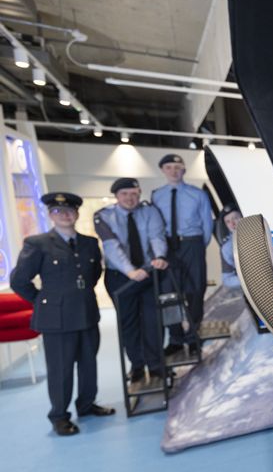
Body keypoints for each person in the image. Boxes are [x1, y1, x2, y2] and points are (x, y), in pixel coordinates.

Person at [10, 192, 113, 436]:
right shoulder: (38, 244)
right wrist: (43, 301)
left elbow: (95, 272)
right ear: (50, 215)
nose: (65, 215)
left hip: (86, 312)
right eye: (58, 211)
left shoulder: (89, 243)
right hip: (56, 319)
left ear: (77, 213)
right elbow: (19, 280)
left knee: (89, 364)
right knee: (61, 369)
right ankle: (59, 416)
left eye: (69, 210)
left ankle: (86, 405)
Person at [94, 178, 169, 383]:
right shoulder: (104, 216)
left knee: (153, 320)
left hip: (147, 273)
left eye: (134, 193)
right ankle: (137, 365)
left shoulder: (150, 212)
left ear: (139, 193)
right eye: (125, 194)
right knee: (129, 322)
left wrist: (160, 257)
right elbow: (111, 246)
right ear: (117, 196)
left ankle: (155, 364)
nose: (130, 198)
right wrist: (130, 271)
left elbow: (157, 236)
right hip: (120, 277)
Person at [151, 154, 213, 356]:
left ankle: (193, 337)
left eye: (177, 167)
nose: (173, 171)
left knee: (195, 290)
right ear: (163, 171)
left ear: (184, 170)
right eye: (168, 167)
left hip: (192, 244)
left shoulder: (198, 195)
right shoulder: (156, 195)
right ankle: (176, 338)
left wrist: (196, 246)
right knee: (169, 294)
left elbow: (207, 225)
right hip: (167, 247)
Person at [219, 204, 243, 289]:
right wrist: (247, 280)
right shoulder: (227, 248)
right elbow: (227, 279)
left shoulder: (258, 231)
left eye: (235, 218)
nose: (232, 224)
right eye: (228, 222)